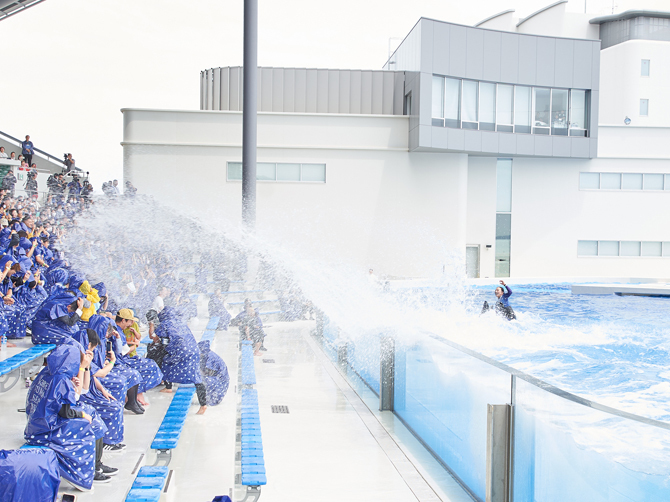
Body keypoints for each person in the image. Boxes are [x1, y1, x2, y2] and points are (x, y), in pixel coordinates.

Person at [24, 343, 115, 491]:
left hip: (36, 424)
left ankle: (96, 465)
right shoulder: (61, 381)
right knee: (88, 424)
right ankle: (87, 472)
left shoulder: (47, 373)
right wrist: (82, 415)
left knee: (90, 415)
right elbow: (65, 412)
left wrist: (71, 385)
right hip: (47, 430)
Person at [151, 307, 207, 413]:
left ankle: (168, 386)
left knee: (166, 363)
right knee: (196, 377)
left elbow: (156, 337)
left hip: (181, 351)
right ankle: (203, 404)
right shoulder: (181, 323)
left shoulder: (165, 324)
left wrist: (152, 325)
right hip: (194, 350)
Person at [196, 340, 230, 415]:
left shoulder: (210, 358)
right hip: (216, 379)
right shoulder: (205, 356)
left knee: (204, 381)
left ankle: (210, 400)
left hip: (220, 381)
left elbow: (210, 372)